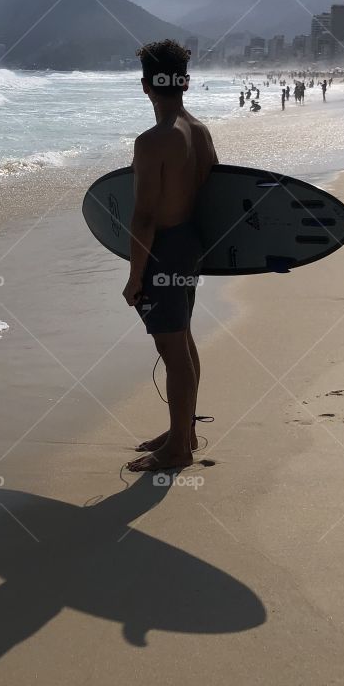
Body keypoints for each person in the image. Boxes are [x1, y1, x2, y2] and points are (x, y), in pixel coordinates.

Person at [122, 39, 218, 474]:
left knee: (172, 348)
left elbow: (143, 218)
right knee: (183, 340)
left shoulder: (153, 141)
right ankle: (185, 431)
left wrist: (134, 275)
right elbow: (214, 196)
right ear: (185, 82)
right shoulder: (199, 131)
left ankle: (179, 449)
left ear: (145, 87)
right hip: (191, 244)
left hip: (164, 251)